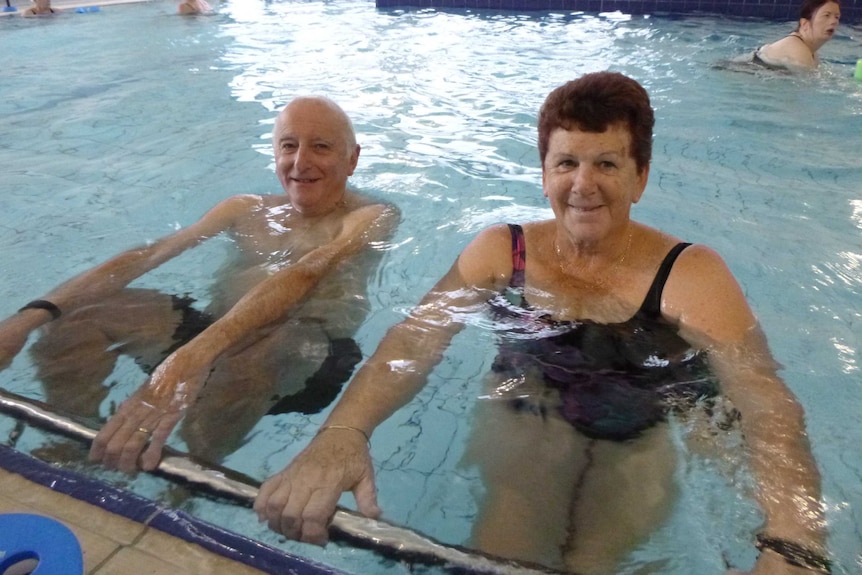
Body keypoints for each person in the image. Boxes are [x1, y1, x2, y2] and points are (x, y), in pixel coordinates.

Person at [254, 73, 829, 575]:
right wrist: (342, 434)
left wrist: (792, 541)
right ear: (544, 171)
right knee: (502, 557)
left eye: (607, 163)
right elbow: (412, 341)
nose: (584, 184)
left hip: (634, 431)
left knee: (594, 563)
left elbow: (766, 403)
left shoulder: (690, 276)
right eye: (567, 163)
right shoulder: (503, 252)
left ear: (641, 177)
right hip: (526, 418)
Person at [0, 96, 397, 473]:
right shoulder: (245, 208)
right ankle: (78, 439)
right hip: (207, 336)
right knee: (77, 320)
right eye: (289, 145)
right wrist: (30, 316)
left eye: (321, 147)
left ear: (352, 159)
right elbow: (149, 255)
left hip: (302, 355)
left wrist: (192, 357)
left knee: (261, 354)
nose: (300, 162)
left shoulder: (371, 216)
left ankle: (190, 480)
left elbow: (306, 272)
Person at [748, 0, 841, 70]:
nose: (834, 22)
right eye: (826, 15)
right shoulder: (798, 50)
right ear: (805, 24)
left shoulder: (811, 53)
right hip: (745, 70)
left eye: (837, 17)